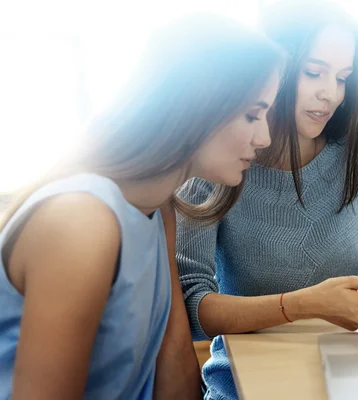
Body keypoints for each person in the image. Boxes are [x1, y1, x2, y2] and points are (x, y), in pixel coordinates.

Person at [174, 1, 358, 398]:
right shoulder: (222, 155)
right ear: (272, 68)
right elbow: (193, 306)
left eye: (343, 78)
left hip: (352, 368)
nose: (331, 94)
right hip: (249, 380)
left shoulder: (357, 146)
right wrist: (305, 304)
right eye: (314, 73)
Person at [0, 14, 283, 399]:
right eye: (253, 114)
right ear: (196, 105)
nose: (264, 136)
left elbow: (174, 352)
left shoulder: (158, 208)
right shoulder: (81, 223)